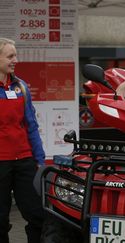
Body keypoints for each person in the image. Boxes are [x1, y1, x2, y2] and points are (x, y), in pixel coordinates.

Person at [0, 38, 45, 243]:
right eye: (10, 56)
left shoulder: (21, 87)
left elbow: (31, 124)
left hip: (24, 160)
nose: (15, 60)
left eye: (15, 55)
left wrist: (40, 160)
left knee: (37, 215)